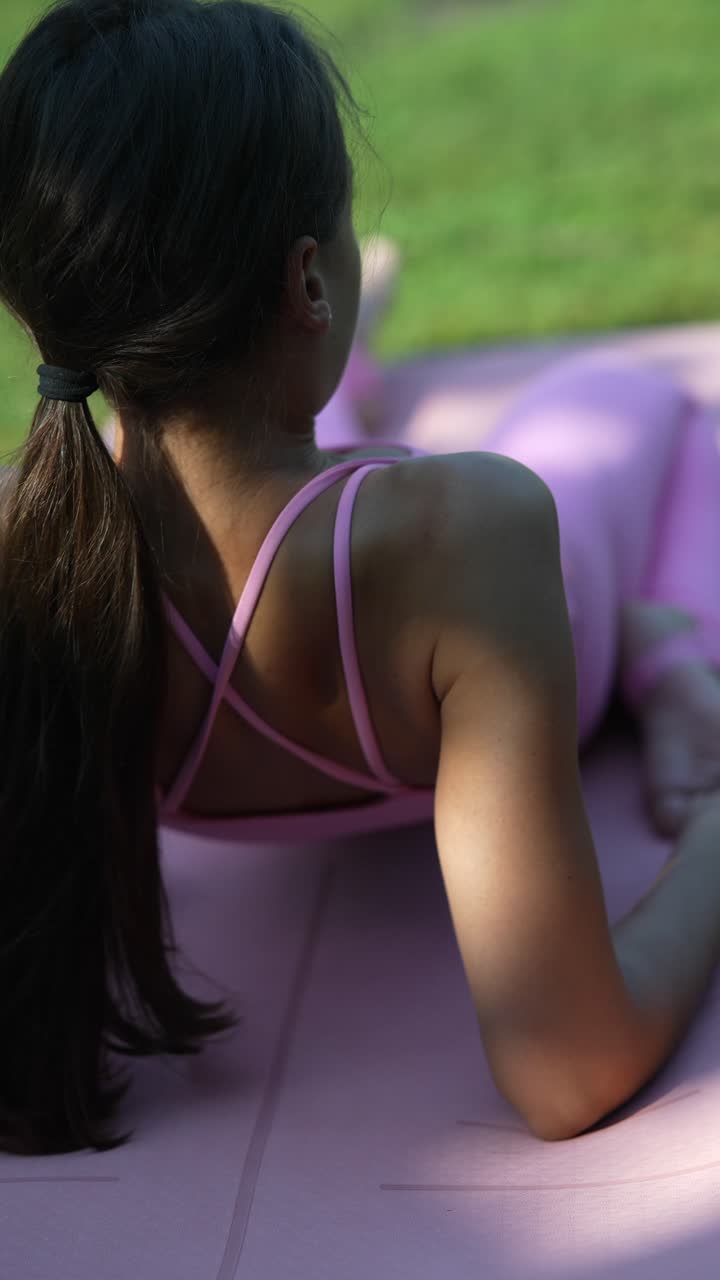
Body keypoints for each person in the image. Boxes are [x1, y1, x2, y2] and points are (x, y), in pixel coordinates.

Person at [0, 0, 719, 1158]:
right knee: (618, 401)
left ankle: (360, 345)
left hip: (271, 508)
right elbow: (568, 1067)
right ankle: (661, 635)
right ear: (302, 276)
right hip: (507, 624)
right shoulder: (474, 529)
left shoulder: (33, 552)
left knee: (279, 427)